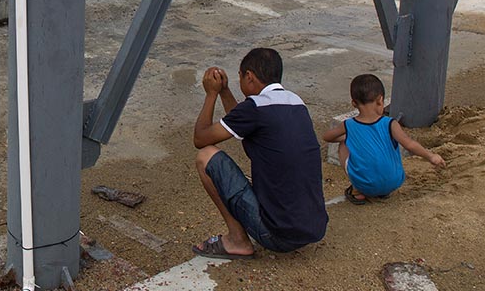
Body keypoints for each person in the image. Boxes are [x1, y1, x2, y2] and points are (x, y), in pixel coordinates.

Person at [191, 48, 328, 259]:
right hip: (312, 227)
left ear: (249, 76)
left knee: (206, 156)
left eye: (241, 77)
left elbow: (200, 138)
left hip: (278, 235)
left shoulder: (255, 108)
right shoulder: (296, 103)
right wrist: (225, 92)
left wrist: (211, 94)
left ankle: (237, 240)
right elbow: (243, 123)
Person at [322, 74, 445, 204]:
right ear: (380, 100)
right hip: (394, 182)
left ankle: (357, 191)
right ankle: (382, 190)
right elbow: (409, 144)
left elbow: (327, 137)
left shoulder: (348, 125)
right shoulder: (390, 123)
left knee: (343, 144)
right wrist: (431, 156)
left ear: (354, 103)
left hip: (366, 185)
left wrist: (348, 136)